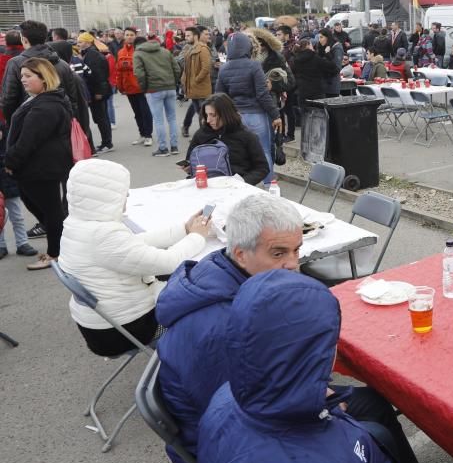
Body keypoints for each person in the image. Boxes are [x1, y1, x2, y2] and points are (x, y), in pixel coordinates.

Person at [156, 194, 419, 463]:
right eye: (279, 253)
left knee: (373, 402)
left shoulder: (222, 274)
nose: (294, 264)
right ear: (241, 253)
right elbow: (248, 417)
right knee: (374, 432)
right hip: (235, 450)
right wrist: (321, 406)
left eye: (297, 250)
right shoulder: (219, 326)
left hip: (253, 411)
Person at [196, 270, 405, 463]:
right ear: (310, 356)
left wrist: (320, 403)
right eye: (329, 342)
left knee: (375, 413)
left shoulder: (227, 395)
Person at [58, 159, 210, 356]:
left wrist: (184, 229)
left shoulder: (78, 223)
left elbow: (135, 242)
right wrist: (198, 236)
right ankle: (196, 363)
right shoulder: (104, 236)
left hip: (103, 326)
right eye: (123, 193)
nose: (127, 197)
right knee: (202, 298)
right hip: (127, 330)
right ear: (106, 197)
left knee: (181, 285)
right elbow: (168, 262)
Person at [4, 58, 73, 270]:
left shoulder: (46, 105)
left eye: (28, 76)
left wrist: (10, 161)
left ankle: (56, 254)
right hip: (41, 167)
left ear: (44, 78)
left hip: (41, 168)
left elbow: (28, 140)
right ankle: (64, 245)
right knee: (46, 210)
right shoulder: (42, 99)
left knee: (50, 211)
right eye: (22, 75)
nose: (22, 79)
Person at [215, 32, 281, 183]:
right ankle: (269, 187)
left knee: (240, 154)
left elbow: (219, 97)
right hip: (257, 114)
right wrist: (275, 114)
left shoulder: (224, 69)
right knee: (264, 151)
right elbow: (262, 94)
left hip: (235, 117)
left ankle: (246, 187)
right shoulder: (254, 66)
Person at [184, 94, 270, 186]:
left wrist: (243, 181)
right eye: (206, 115)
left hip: (237, 189)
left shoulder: (247, 136)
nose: (208, 120)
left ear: (226, 114)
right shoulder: (201, 134)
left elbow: (262, 168)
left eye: (212, 115)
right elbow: (190, 160)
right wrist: (190, 168)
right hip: (206, 187)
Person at [134, 35, 182, 157]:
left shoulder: (138, 54)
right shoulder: (165, 51)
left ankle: (163, 148)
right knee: (172, 118)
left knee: (159, 120)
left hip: (153, 90)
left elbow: (139, 74)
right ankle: (174, 146)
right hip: (170, 87)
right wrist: (173, 83)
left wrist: (145, 88)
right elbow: (177, 69)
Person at [115, 27, 154, 146]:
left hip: (140, 86)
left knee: (144, 111)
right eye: (127, 35)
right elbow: (119, 71)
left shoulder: (140, 50)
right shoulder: (121, 52)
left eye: (131, 35)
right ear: (124, 36)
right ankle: (142, 134)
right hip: (128, 87)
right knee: (137, 112)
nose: (129, 37)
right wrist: (120, 86)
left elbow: (147, 68)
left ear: (135, 36)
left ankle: (148, 135)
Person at [77, 33, 113, 153]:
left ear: (88, 42)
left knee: (101, 118)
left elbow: (99, 76)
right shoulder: (89, 53)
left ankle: (107, 143)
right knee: (100, 118)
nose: (78, 44)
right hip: (96, 90)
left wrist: (99, 92)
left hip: (97, 91)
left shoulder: (93, 55)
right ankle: (106, 142)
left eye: (81, 41)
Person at [180, 27, 212, 138]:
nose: (186, 37)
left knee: (204, 114)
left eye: (188, 35)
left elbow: (206, 67)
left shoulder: (202, 49)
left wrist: (196, 80)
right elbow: (187, 68)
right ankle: (203, 136)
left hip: (200, 88)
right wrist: (184, 80)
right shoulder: (190, 49)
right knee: (200, 114)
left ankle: (206, 137)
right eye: (185, 35)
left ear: (195, 36)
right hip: (192, 88)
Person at [317, 26, 346, 97]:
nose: (319, 40)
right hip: (322, 85)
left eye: (321, 37)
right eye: (319, 38)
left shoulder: (336, 48)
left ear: (327, 37)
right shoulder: (323, 47)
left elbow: (336, 68)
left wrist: (328, 54)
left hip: (332, 86)